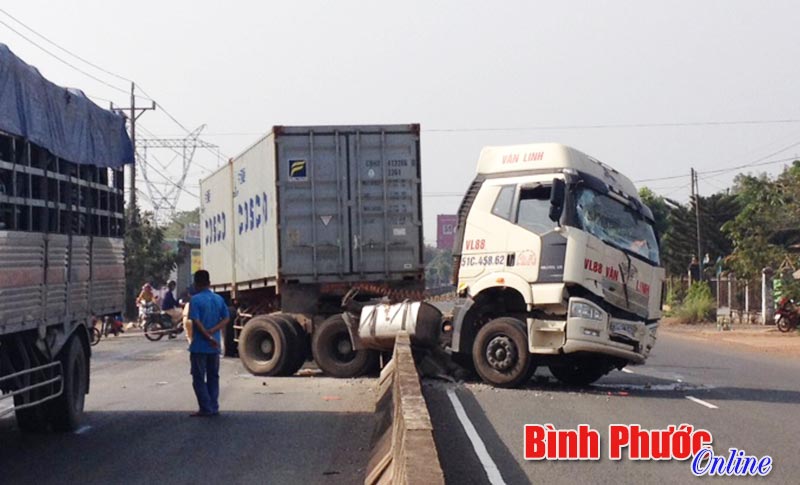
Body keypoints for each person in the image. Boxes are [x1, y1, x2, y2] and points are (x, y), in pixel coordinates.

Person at [187, 270, 229, 417]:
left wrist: (206, 335)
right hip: (214, 346)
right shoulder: (218, 299)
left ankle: (206, 407)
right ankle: (214, 406)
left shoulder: (195, 300)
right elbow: (226, 319)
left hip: (200, 346)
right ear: (209, 283)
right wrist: (213, 332)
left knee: (198, 378)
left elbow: (196, 322)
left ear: (196, 284)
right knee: (213, 376)